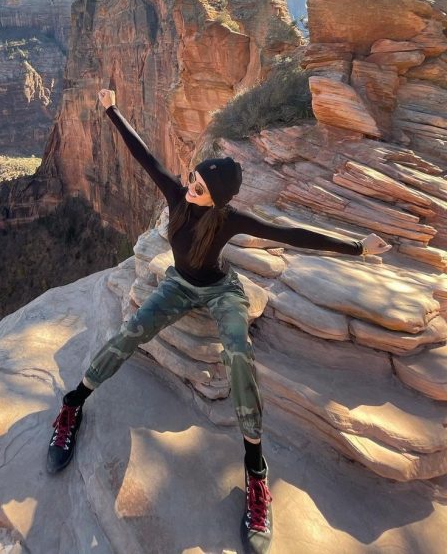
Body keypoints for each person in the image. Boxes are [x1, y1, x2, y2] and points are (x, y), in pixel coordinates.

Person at [46, 88, 391, 554]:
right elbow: (144, 155)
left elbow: (293, 234)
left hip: (220, 290)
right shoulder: (177, 196)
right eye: (193, 180)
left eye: (201, 188)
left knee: (238, 354)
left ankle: (255, 473)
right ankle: (74, 402)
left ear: (219, 198)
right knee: (130, 333)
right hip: (177, 285)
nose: (190, 187)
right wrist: (111, 107)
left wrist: (357, 247)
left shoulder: (230, 220)